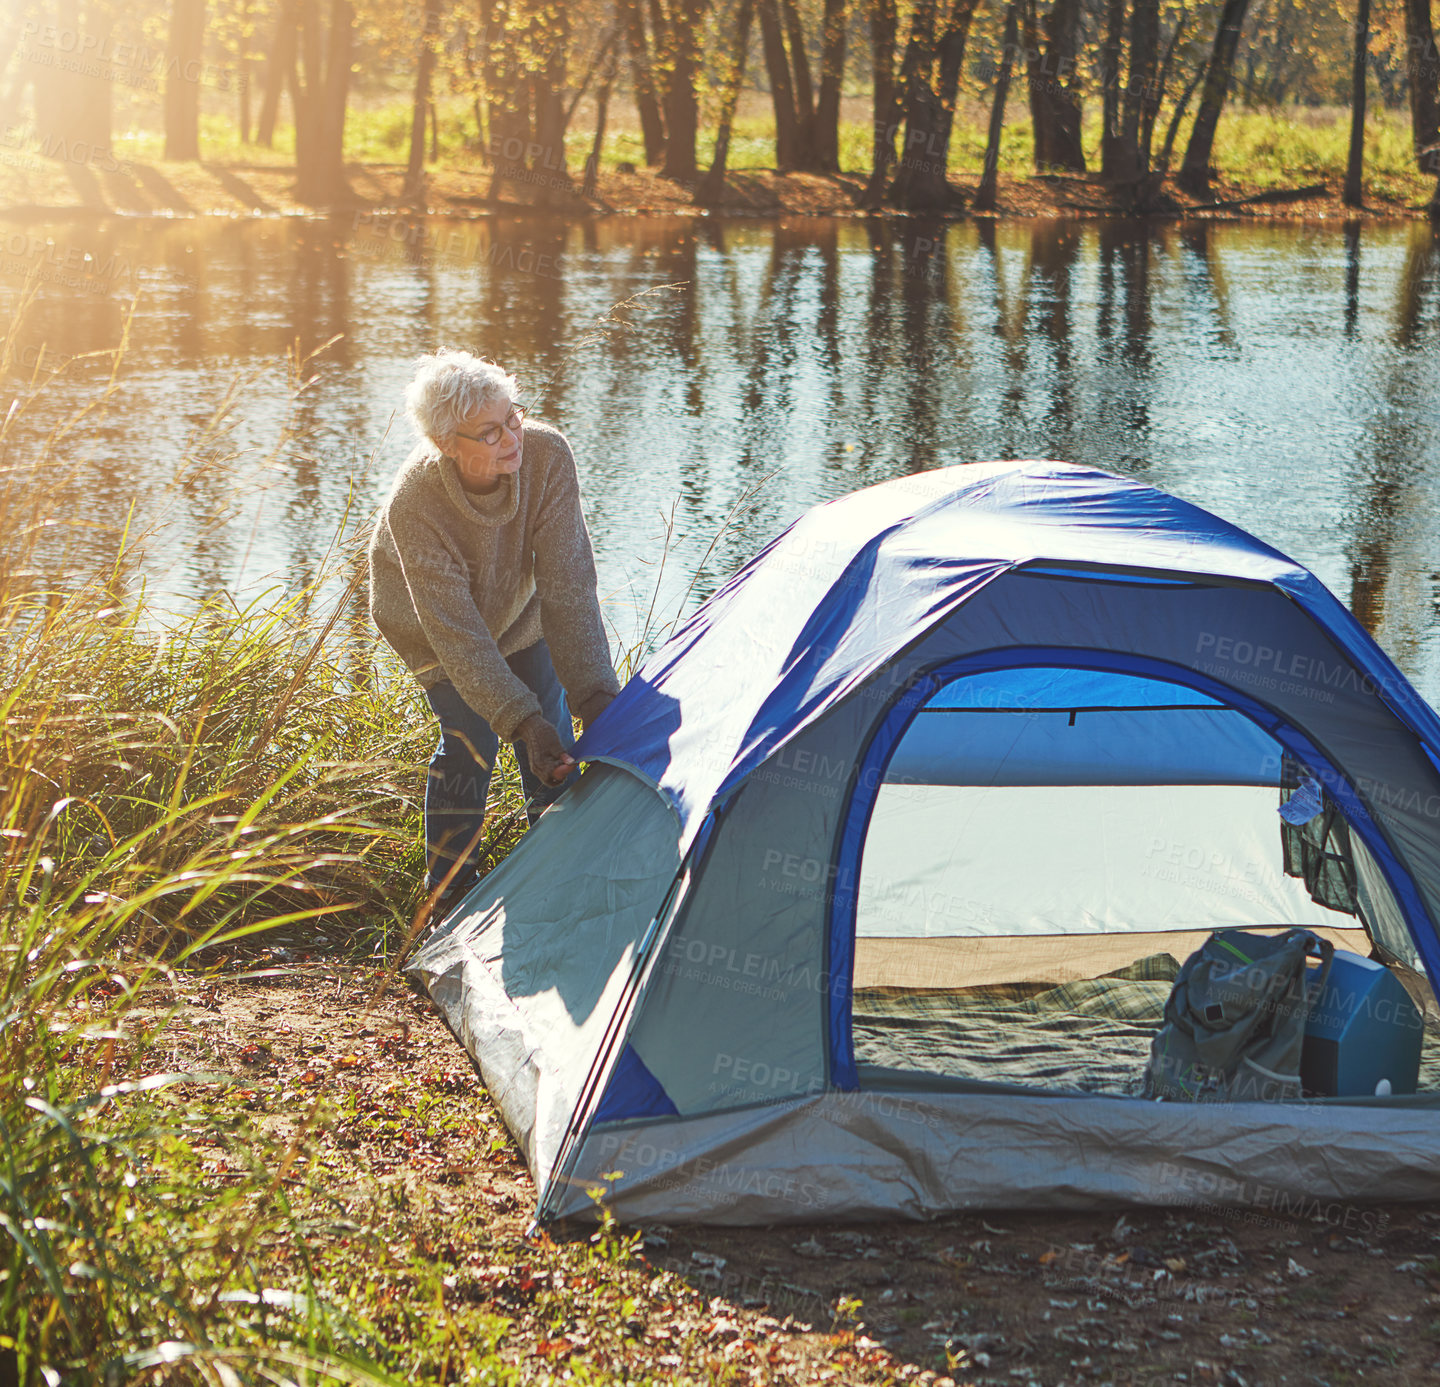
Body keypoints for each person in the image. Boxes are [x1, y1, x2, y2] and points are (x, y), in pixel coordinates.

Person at [368, 349, 619, 916]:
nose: (512, 437)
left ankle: (559, 867)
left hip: (518, 611)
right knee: (472, 735)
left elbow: (569, 588)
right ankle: (450, 894)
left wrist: (597, 698)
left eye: (513, 417)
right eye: (489, 432)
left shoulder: (548, 455)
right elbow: (458, 636)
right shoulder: (417, 504)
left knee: (554, 722)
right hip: (429, 625)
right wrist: (519, 721)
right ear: (446, 443)